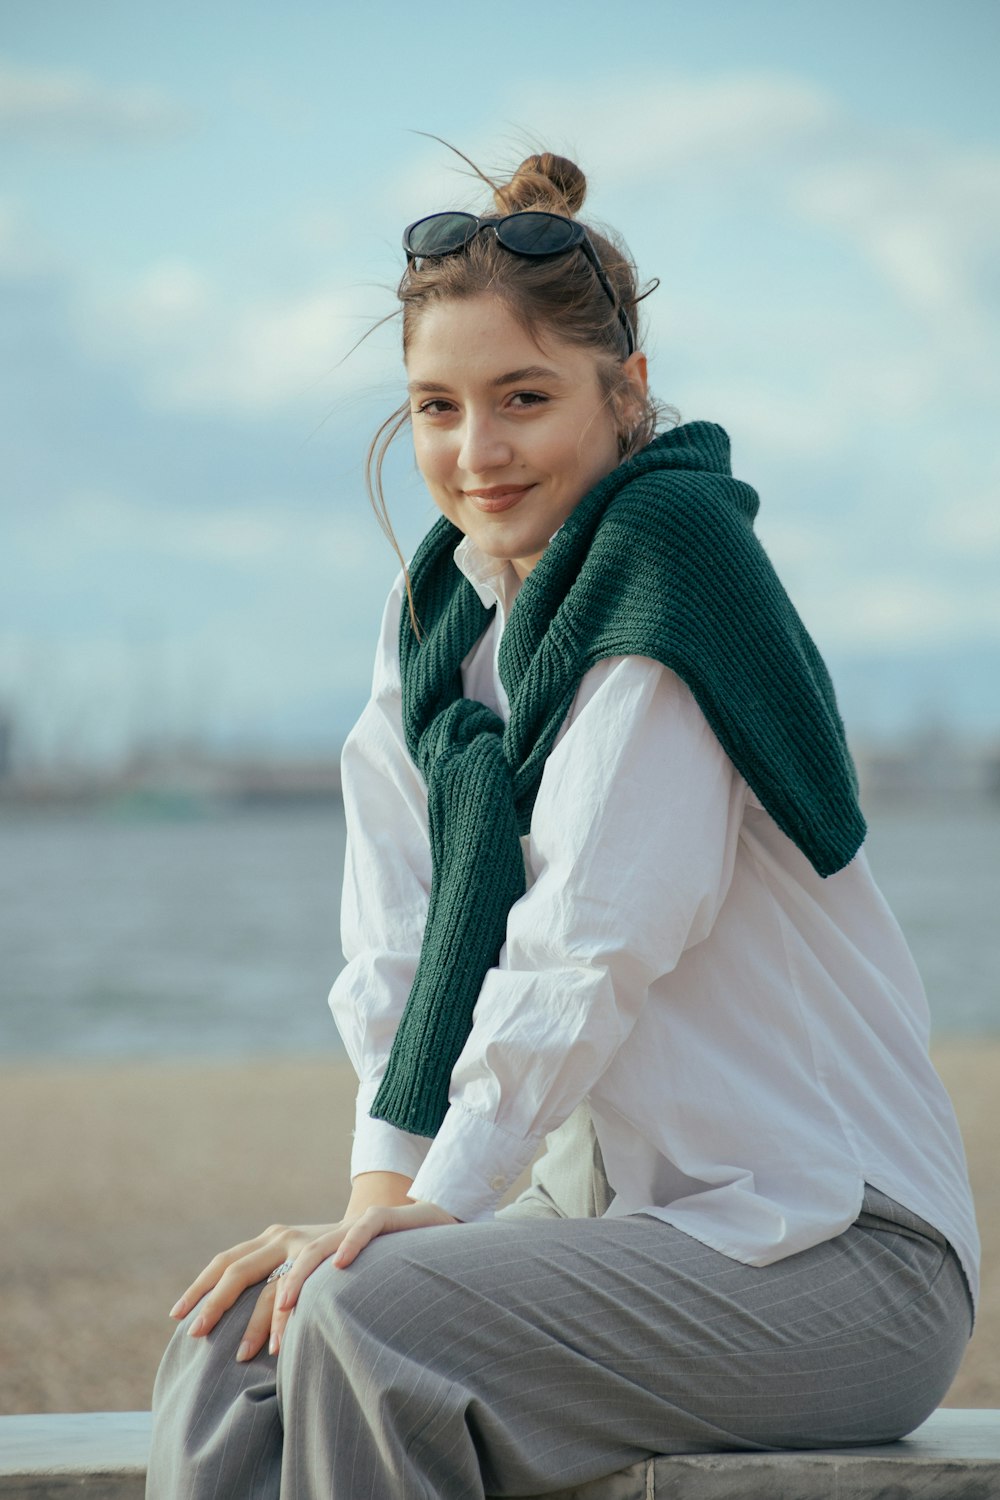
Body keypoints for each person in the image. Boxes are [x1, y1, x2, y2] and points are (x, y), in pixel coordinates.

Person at [146, 149, 979, 1500]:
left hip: (838, 1259)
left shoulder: (671, 579)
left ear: (625, 392)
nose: (475, 452)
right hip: (616, 1230)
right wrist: (375, 1198)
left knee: (365, 1315)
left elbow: (589, 946)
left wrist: (404, 1227)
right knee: (237, 1335)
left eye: (522, 398)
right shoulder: (437, 628)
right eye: (436, 406)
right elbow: (395, 951)